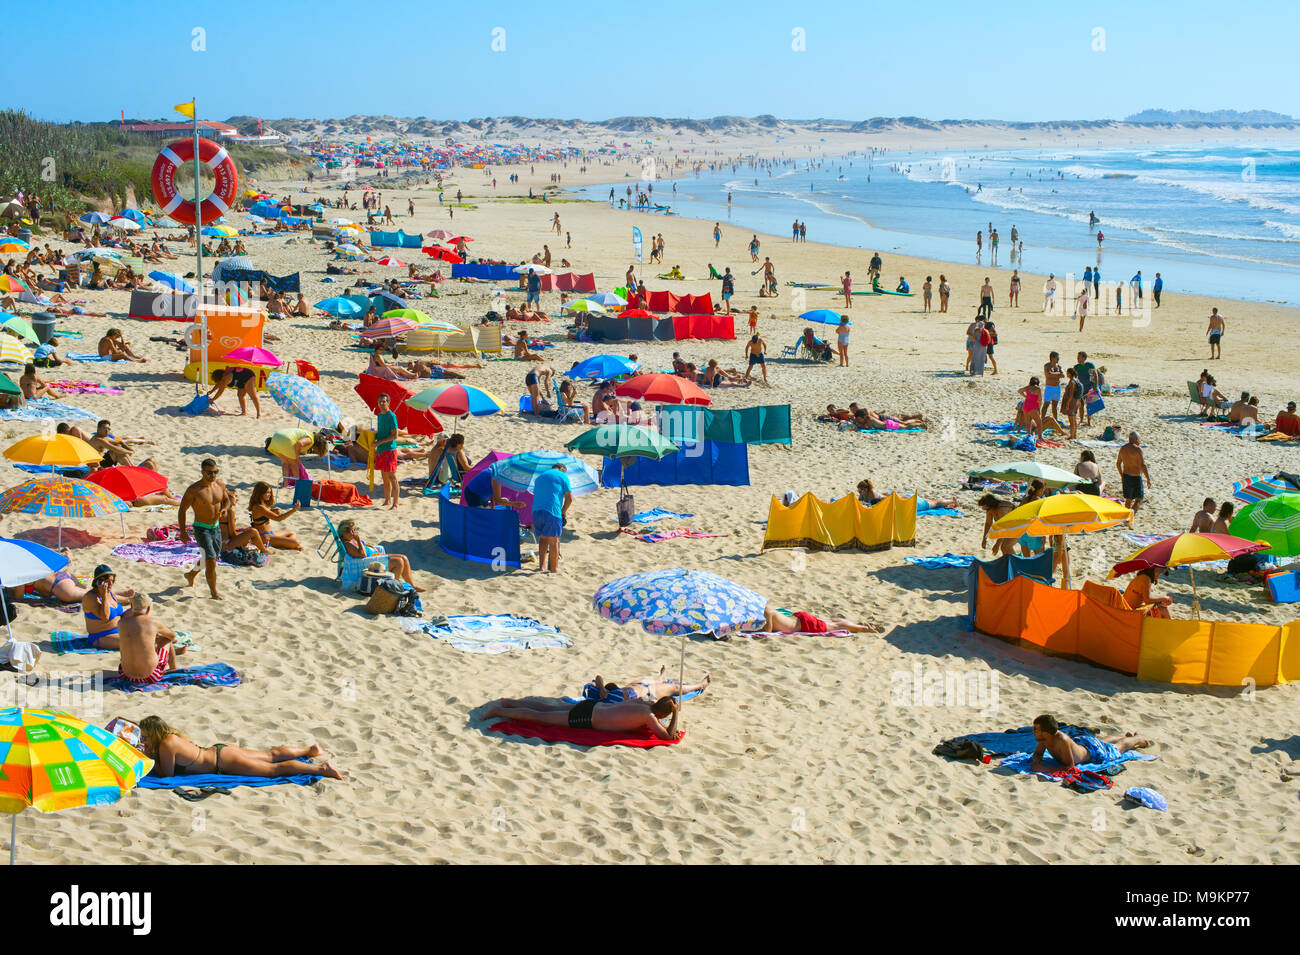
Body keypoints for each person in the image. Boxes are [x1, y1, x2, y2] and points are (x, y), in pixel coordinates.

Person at [138, 715, 343, 780]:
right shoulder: (171, 737)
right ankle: (309, 750)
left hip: (222, 762)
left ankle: (321, 769)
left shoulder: (165, 746)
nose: (145, 740)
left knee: (274, 770)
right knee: (271, 755)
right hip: (220, 750)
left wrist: (148, 757)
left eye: (146, 737)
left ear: (154, 734)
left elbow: (167, 775)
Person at [483, 695, 682, 741]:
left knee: (546, 708)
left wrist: (669, 709)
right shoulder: (648, 716)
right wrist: (676, 715)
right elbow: (666, 736)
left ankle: (509, 702)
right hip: (587, 718)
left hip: (593, 705)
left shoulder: (645, 702)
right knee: (541, 717)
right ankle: (499, 711)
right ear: (662, 715)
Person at [1030, 714, 1150, 774]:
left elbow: (1069, 767)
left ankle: (1138, 739)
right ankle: (1126, 737)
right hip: (1083, 742)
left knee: (1118, 747)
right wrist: (1036, 761)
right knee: (1102, 741)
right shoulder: (1044, 740)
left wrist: (1044, 768)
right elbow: (1038, 754)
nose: (1033, 732)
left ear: (1046, 732)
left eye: (1036, 729)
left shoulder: (1062, 740)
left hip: (1095, 753)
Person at [179, 458, 228, 599]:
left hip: (216, 527)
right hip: (201, 529)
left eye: (215, 472)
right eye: (209, 473)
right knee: (211, 560)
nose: (213, 475)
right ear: (202, 472)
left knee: (210, 557)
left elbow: (226, 500)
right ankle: (214, 592)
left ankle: (191, 574)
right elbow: (182, 510)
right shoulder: (194, 490)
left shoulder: (220, 485)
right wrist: (183, 532)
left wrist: (224, 509)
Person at [338, 519, 423, 591]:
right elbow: (363, 555)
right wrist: (359, 540)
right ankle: (393, 589)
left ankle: (412, 586)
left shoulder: (351, 539)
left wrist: (369, 546)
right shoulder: (347, 544)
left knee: (404, 557)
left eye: (354, 530)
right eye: (350, 531)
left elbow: (364, 546)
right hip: (367, 563)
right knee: (398, 562)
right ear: (343, 533)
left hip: (373, 556)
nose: (353, 533)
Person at [116, 593, 179, 685]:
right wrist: (159, 637)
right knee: (167, 640)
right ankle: (174, 667)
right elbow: (172, 637)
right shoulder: (154, 622)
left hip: (125, 675)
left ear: (131, 606)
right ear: (149, 608)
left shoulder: (121, 623)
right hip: (151, 676)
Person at [81, 564, 133, 650]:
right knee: (133, 642)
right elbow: (105, 617)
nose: (110, 584)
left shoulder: (110, 593)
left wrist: (134, 601)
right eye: (107, 581)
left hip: (120, 631)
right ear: (99, 582)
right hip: (101, 636)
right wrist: (104, 596)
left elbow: (127, 600)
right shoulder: (90, 597)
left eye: (112, 581)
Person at [532, 463, 572, 574]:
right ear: (562, 469)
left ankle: (542, 567)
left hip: (536, 510)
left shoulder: (540, 477)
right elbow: (569, 499)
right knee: (554, 540)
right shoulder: (562, 475)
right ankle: (554, 569)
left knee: (543, 538)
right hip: (552, 511)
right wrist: (563, 512)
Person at [591, 666, 711, 702]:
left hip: (634, 687)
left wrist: (601, 688)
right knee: (675, 687)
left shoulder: (606, 693)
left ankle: (661, 678)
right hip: (646, 696)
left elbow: (598, 677)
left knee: (645, 680)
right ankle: (701, 685)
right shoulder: (605, 700)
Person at [758, 603, 882, 634]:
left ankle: (863, 629)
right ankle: (856, 623)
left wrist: (756, 632)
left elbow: (767, 631)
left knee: (835, 626)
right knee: (831, 621)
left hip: (804, 624)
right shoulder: (768, 609)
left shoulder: (768, 613)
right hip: (799, 617)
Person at [249, 481, 302, 550]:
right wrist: (294, 510)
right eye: (267, 492)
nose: (269, 494)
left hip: (271, 533)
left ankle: (285, 543)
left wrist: (273, 511)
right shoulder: (259, 507)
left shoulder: (262, 504)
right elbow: (278, 519)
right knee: (296, 542)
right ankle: (287, 544)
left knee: (291, 533)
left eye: (270, 492)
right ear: (260, 493)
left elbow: (264, 515)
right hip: (265, 537)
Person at [374, 392, 402, 509]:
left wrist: (379, 442)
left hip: (389, 450)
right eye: (380, 401)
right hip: (381, 450)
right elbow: (381, 433)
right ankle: (387, 500)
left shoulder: (392, 416)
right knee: (384, 477)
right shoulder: (380, 415)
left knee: (392, 477)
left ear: (388, 403)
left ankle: (395, 503)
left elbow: (395, 435)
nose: (381, 403)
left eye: (384, 401)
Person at [1116, 432, 1151, 519]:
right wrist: (1148, 479)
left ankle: (1125, 517)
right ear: (1136, 439)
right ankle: (1129, 518)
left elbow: (1118, 463)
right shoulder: (1138, 449)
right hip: (1136, 477)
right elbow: (1143, 465)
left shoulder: (1123, 448)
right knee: (1139, 499)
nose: (1139, 441)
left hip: (1126, 476)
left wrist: (1121, 475)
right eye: (1139, 439)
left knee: (1128, 499)